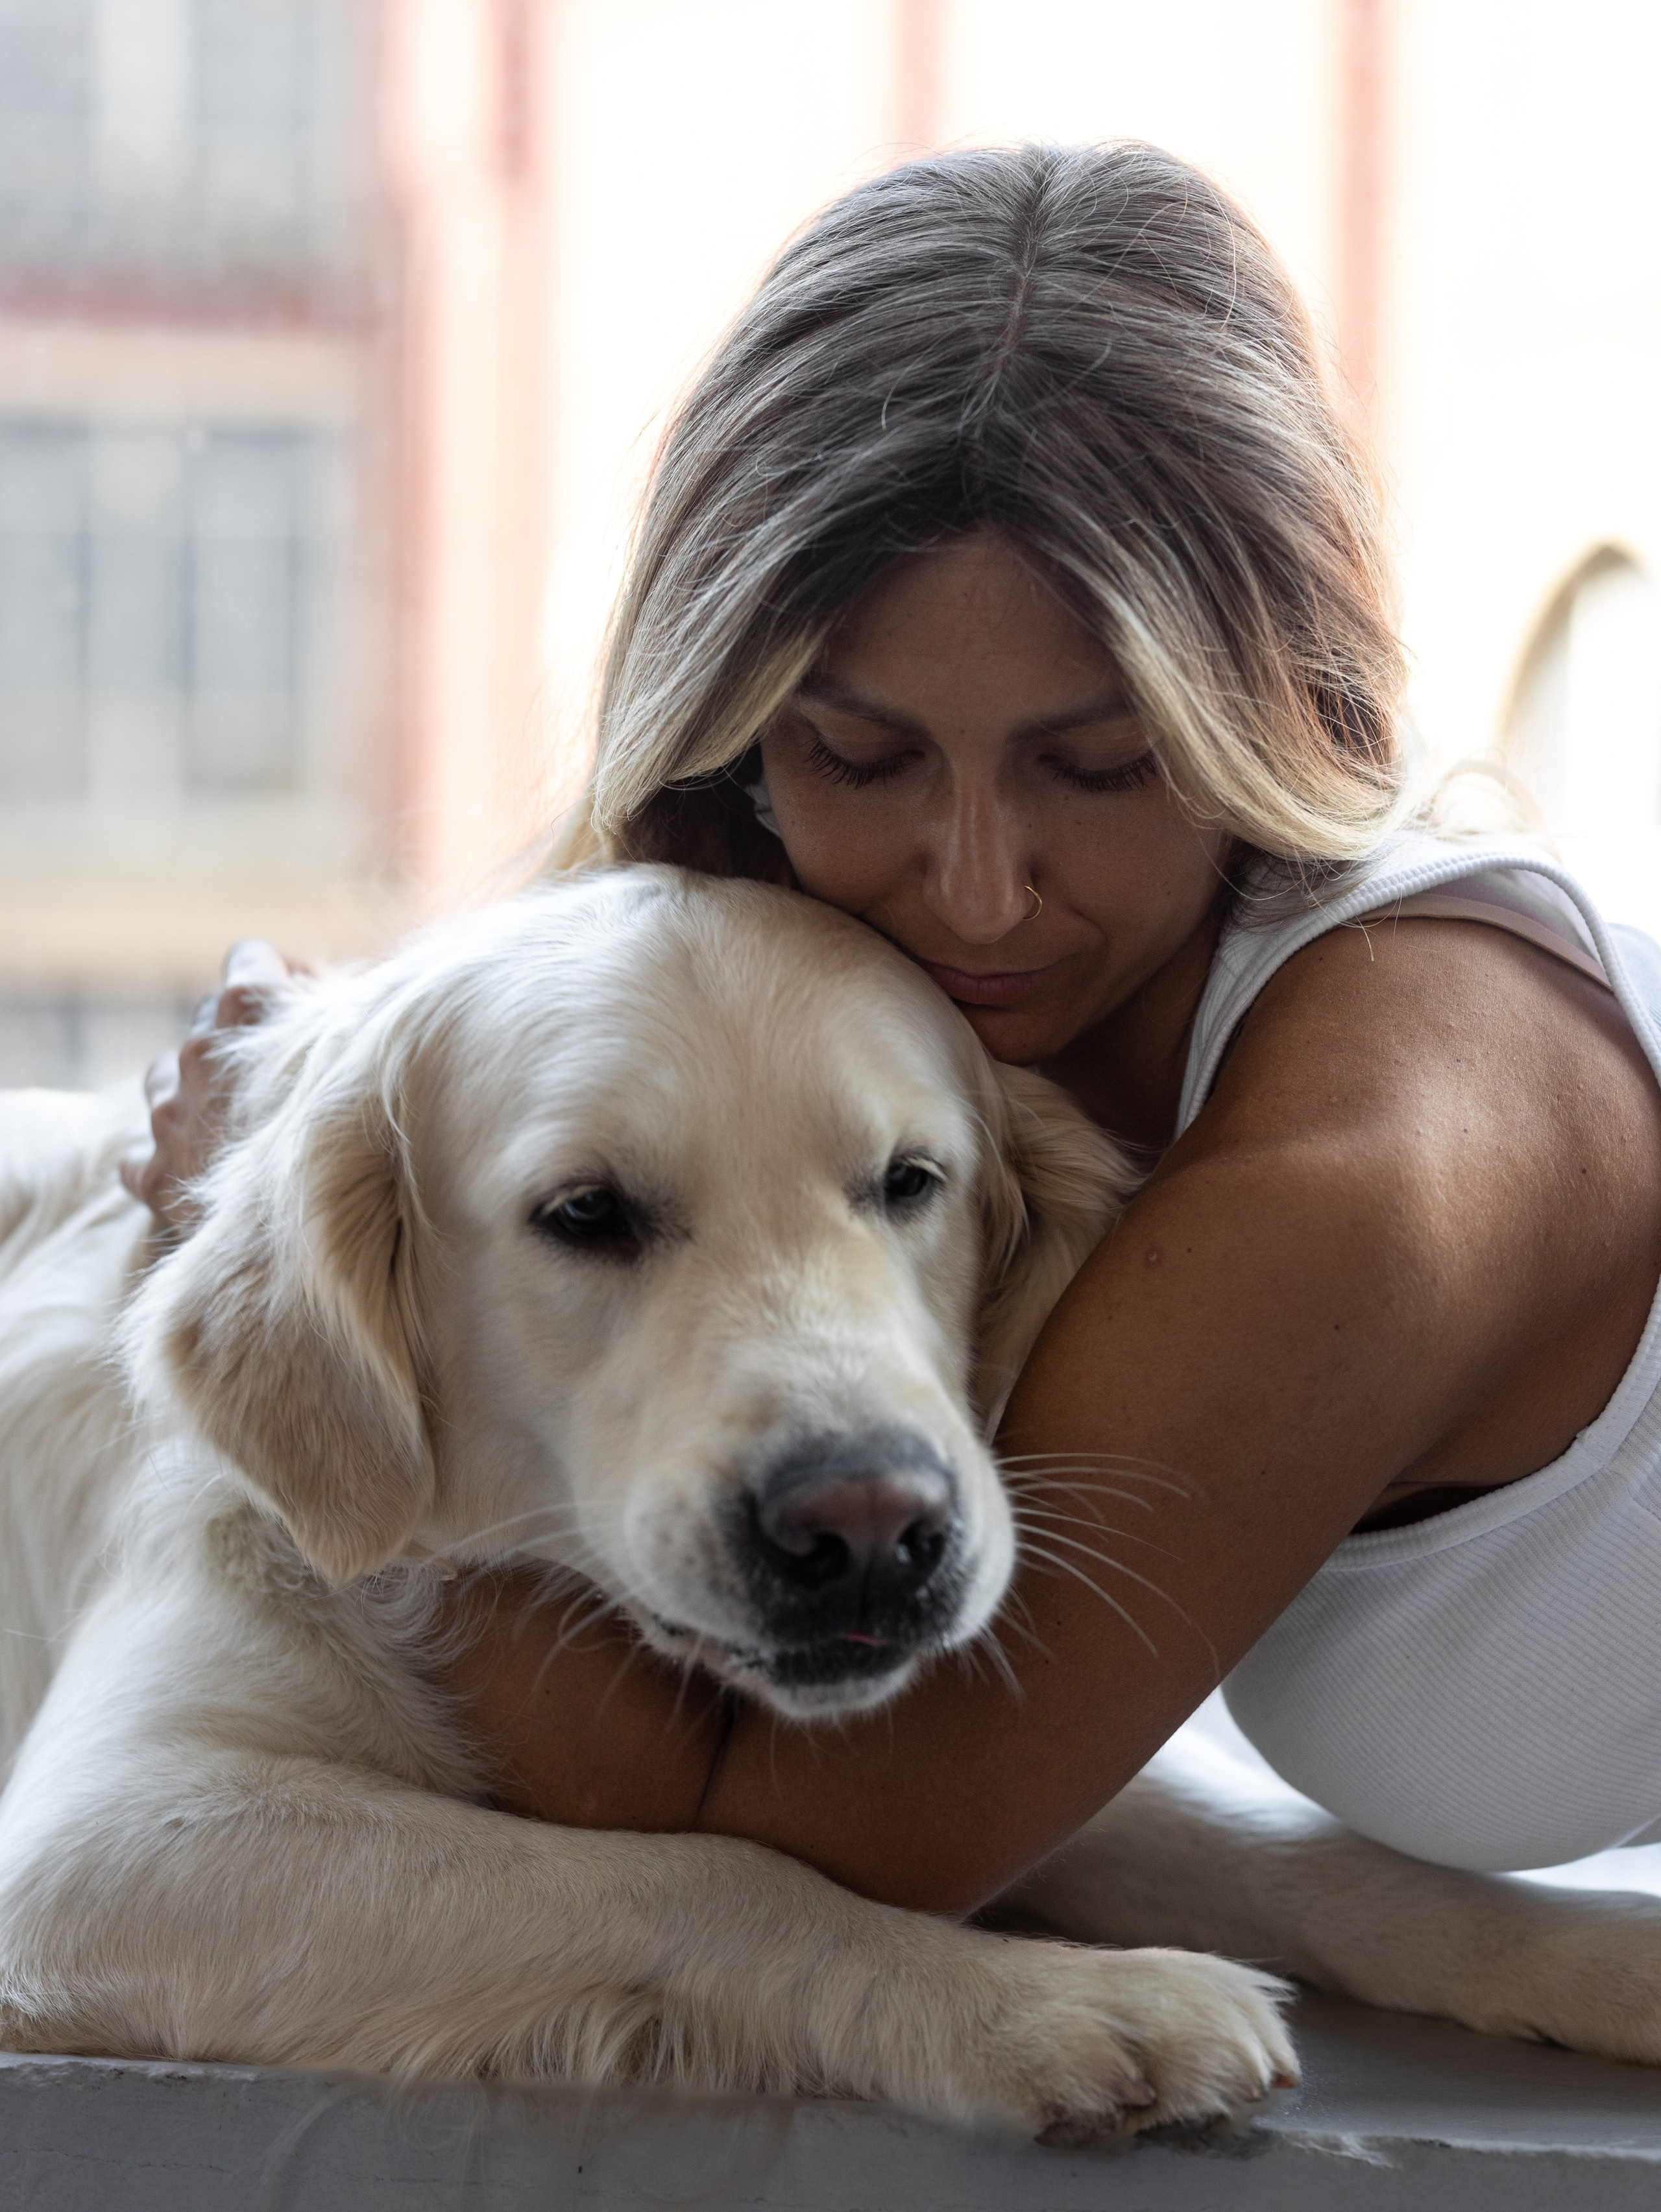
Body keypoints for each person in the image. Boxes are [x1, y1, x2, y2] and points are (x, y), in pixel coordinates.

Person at [125, 141, 1661, 1913]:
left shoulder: (1371, 1162)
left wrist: (292, 1291)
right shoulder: (808, 1030)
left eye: (1101, 763)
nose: (982, 891)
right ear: (738, 745)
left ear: (1281, 705)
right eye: (863, 758)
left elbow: (815, 1846)